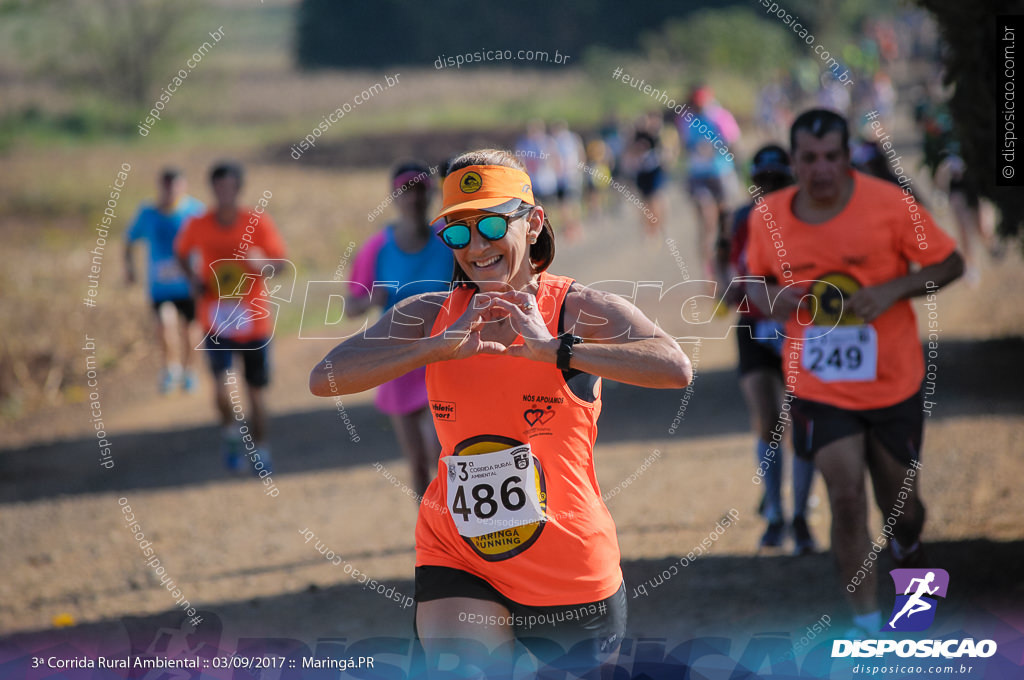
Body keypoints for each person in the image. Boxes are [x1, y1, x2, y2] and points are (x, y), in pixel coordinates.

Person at [310, 149, 692, 676]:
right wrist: (435, 348)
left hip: (569, 568)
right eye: (459, 232)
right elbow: (324, 377)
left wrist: (555, 349)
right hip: (457, 555)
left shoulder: (575, 308)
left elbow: (674, 366)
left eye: (491, 223)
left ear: (534, 223)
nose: (477, 246)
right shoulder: (429, 315)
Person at [746, 109, 964, 637]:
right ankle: (867, 628)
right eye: (808, 158)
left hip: (893, 381)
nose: (820, 169)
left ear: (847, 158)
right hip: (820, 385)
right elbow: (752, 285)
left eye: (830, 157)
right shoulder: (767, 216)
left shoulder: (890, 204)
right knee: (845, 498)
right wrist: (778, 300)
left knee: (903, 512)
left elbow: (950, 263)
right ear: (793, 161)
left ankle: (914, 599)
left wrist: (893, 289)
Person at [716, 145, 816, 554]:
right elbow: (725, 263)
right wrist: (727, 284)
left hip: (801, 327)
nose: (770, 189)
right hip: (756, 325)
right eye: (763, 182)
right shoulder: (743, 218)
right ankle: (776, 513)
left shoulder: (809, 218)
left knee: (804, 421)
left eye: (779, 180)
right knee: (769, 421)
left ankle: (801, 517)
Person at [347, 161, 452, 496]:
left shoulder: (451, 240)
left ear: (432, 192)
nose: (414, 198)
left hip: (444, 356)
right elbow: (351, 305)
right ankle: (430, 538)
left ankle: (454, 531)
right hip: (399, 359)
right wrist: (370, 300)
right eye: (405, 190)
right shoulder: (376, 248)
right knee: (418, 462)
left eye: (420, 189)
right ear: (394, 196)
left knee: (444, 454)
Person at [175, 161, 287, 474]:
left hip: (254, 321)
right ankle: (230, 434)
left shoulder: (257, 221)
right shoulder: (199, 223)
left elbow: (281, 264)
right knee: (223, 389)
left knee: (255, 392)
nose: (224, 192)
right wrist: (192, 280)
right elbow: (181, 252)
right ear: (212, 189)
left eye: (229, 186)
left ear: (239, 188)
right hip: (215, 319)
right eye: (218, 186)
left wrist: (262, 264)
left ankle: (261, 449)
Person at [124, 167, 205, 393]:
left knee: (191, 330)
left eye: (175, 187)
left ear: (183, 187)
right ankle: (171, 369)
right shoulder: (147, 213)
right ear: (160, 187)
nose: (170, 192)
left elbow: (210, 244)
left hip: (190, 285)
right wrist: (129, 269)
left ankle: (190, 371)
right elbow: (129, 240)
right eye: (166, 187)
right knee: (165, 326)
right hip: (160, 287)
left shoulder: (196, 211)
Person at [677, 86, 741, 276]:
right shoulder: (685, 120)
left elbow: (733, 142)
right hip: (698, 176)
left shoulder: (720, 116)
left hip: (721, 173)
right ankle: (709, 272)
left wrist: (715, 148)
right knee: (706, 222)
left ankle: (725, 267)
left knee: (725, 223)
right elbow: (684, 146)